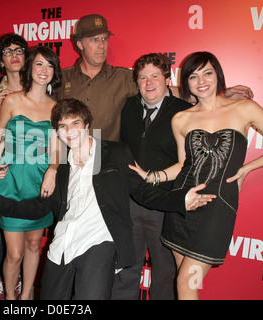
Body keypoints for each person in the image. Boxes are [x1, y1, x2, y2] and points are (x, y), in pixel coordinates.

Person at [0, 98, 216, 300]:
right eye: (63, 127)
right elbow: (41, 206)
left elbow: (142, 193)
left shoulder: (113, 154)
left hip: (99, 241)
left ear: (87, 124)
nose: (70, 131)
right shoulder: (62, 167)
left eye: (75, 123)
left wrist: (180, 200)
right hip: (62, 245)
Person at [158, 51, 263, 299]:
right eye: (193, 76)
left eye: (207, 73)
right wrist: (151, 176)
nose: (201, 81)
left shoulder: (245, 108)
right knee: (187, 283)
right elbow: (182, 165)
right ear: (186, 83)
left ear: (218, 75)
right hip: (181, 206)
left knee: (186, 281)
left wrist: (247, 168)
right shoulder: (181, 118)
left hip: (217, 209)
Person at [55, 14, 254, 142]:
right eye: (94, 40)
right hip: (68, 158)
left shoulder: (123, 77)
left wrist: (218, 93)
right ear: (79, 44)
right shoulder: (62, 78)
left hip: (106, 162)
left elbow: (162, 91)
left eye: (105, 39)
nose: (101, 45)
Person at [0, 45, 61, 300]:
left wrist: (52, 168)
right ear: (30, 67)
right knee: (14, 253)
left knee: (32, 245)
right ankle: (9, 296)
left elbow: (57, 149)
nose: (44, 70)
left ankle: (26, 296)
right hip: (11, 180)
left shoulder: (56, 107)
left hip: (40, 184)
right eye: (39, 64)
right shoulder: (12, 100)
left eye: (50, 66)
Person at [114, 53, 193, 300]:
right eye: (143, 77)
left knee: (166, 273)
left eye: (155, 76)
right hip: (131, 202)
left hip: (166, 205)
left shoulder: (184, 111)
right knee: (125, 269)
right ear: (136, 82)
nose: (149, 83)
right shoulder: (128, 107)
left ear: (167, 79)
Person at [0, 32, 29, 300]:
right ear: (0, 61)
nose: (14, 56)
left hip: (33, 167)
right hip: (4, 167)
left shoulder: (41, 83)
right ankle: (0, 277)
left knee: (30, 230)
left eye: (19, 50)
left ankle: (20, 277)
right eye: (7, 52)